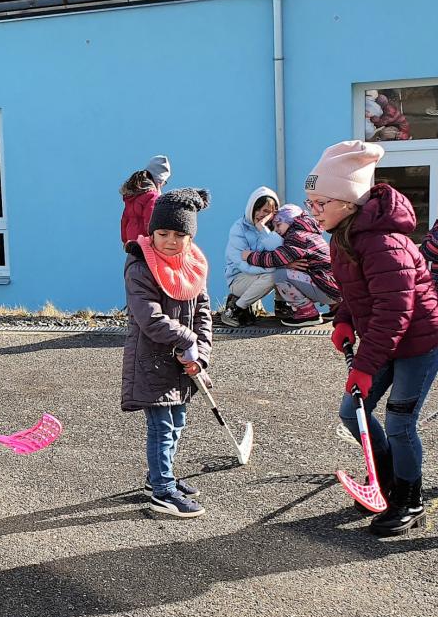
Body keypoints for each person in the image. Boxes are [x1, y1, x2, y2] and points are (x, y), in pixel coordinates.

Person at [305, 141, 438, 536]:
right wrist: (344, 319)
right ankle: (384, 479)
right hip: (385, 338)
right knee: (351, 412)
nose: (313, 211)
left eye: (320, 203)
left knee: (400, 422)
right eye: (310, 203)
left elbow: (394, 312)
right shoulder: (342, 235)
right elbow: (356, 291)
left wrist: (366, 367)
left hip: (420, 342)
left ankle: (410, 499)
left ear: (348, 202)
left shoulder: (384, 243)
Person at [122, 189, 212, 519]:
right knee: (161, 426)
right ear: (152, 233)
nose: (171, 241)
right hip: (152, 361)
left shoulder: (192, 266)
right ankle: (162, 491)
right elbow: (150, 319)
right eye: (163, 233)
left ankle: (160, 476)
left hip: (181, 364)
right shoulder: (140, 267)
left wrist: (200, 354)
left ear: (190, 237)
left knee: (177, 422)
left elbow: (203, 311)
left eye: (179, 235)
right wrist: (187, 340)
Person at [243, 203, 340, 327]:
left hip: (326, 289)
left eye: (278, 224)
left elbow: (276, 258)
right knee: (303, 268)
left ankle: (307, 312)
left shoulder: (297, 236)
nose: (276, 230)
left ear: (290, 221)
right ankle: (337, 307)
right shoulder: (310, 233)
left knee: (279, 274)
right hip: (336, 289)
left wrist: (250, 256)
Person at [217, 186, 282, 327]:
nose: (260, 214)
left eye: (266, 211)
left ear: (273, 213)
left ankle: (282, 306)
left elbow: (281, 253)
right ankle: (234, 310)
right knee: (274, 274)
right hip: (238, 279)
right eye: (258, 209)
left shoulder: (273, 228)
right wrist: (270, 268)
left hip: (260, 276)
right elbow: (243, 265)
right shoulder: (239, 228)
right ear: (251, 208)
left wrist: (263, 228)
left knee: (285, 269)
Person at [119, 155, 171, 245]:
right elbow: (151, 220)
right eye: (164, 181)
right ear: (159, 179)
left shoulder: (133, 196)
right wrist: (155, 239)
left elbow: (124, 220)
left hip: (131, 242)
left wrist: (125, 241)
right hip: (145, 243)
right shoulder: (152, 196)